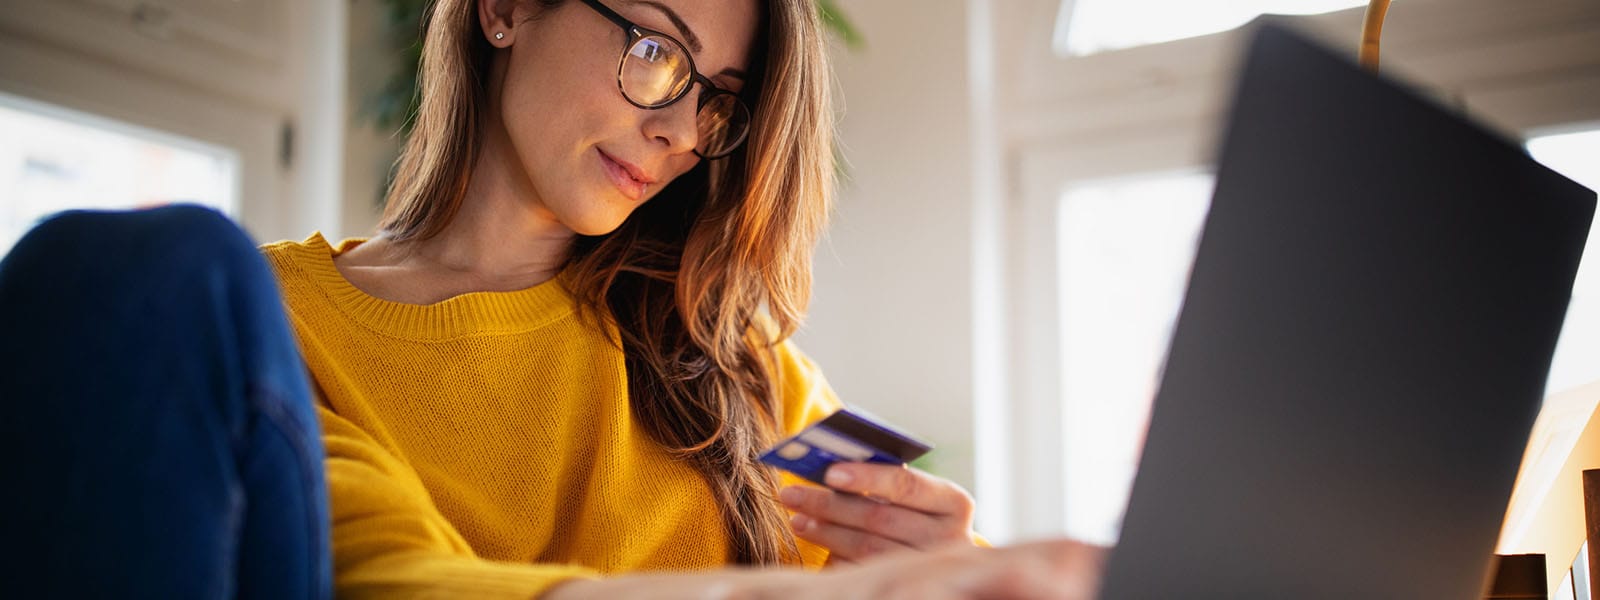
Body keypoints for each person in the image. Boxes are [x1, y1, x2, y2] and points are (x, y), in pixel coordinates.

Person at [0, 0, 1103, 597]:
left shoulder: (738, 360)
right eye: (656, 51)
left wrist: (936, 558)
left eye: (718, 100)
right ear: (506, 8)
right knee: (137, 276)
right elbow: (387, 574)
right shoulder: (277, 320)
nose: (681, 132)